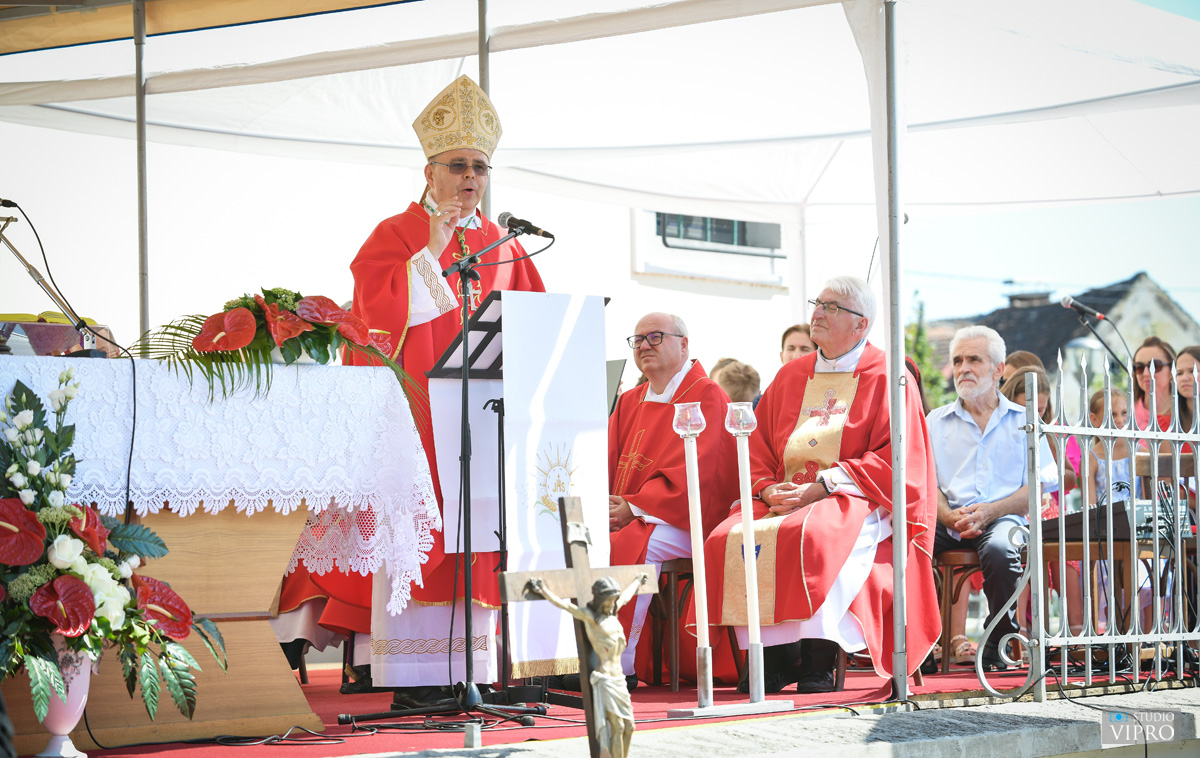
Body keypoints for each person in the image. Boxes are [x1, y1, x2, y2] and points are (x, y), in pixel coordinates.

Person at [286, 74, 547, 706]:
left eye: (479, 166)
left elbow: (535, 318)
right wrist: (429, 251)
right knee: (421, 534)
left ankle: (473, 671)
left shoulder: (501, 242)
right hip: (416, 413)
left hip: (481, 414)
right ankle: (414, 677)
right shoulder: (396, 232)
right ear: (428, 171)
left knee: (477, 535)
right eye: (457, 165)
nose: (470, 177)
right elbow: (376, 317)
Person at [703, 276, 939, 693]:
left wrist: (825, 484)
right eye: (818, 303)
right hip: (785, 495)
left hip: (854, 493)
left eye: (832, 308)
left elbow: (899, 456)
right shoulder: (791, 374)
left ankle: (817, 660)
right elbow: (757, 445)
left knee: (813, 534)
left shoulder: (889, 375)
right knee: (731, 537)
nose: (817, 313)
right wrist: (766, 488)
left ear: (861, 324)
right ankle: (773, 658)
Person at [608, 313, 739, 687]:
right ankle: (575, 654)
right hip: (639, 515)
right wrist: (609, 505)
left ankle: (619, 662)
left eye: (654, 337)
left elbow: (703, 472)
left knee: (637, 544)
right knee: (591, 541)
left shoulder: (705, 395)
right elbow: (608, 459)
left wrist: (634, 507)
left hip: (691, 520)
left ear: (684, 344)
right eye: (637, 340)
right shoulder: (630, 400)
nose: (644, 345)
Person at [927, 326, 1058, 671]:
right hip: (946, 518)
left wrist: (991, 511)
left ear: (999, 369)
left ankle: (997, 641)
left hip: (1002, 518)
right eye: (958, 360)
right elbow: (924, 482)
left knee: (1001, 549)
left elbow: (1039, 486)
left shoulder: (1024, 421)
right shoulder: (935, 422)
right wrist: (948, 516)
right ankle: (921, 643)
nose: (963, 368)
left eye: (974, 360)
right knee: (906, 545)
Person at [527, 574, 648, 758]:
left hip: (619, 679)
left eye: (613, 599)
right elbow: (565, 606)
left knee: (629, 726)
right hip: (605, 679)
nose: (612, 603)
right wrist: (542, 590)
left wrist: (637, 582)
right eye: (608, 599)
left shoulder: (613, 612)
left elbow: (626, 596)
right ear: (599, 599)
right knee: (617, 726)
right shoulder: (591, 617)